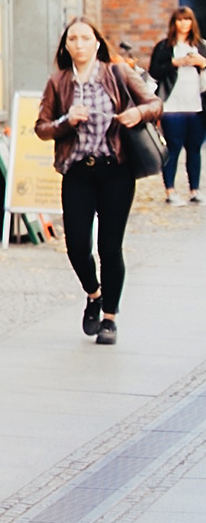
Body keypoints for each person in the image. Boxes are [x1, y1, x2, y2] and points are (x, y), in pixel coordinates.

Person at [34, 18, 161, 346]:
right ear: (66, 46)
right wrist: (67, 120)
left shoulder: (117, 73)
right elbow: (42, 127)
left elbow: (154, 103)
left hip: (115, 170)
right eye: (72, 39)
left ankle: (110, 318)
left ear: (97, 43)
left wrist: (137, 114)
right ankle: (94, 293)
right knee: (77, 245)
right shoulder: (58, 81)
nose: (79, 44)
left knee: (109, 246)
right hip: (77, 173)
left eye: (85, 38)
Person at [147, 7, 206, 204]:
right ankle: (170, 190)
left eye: (187, 20)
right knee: (173, 148)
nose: (184, 24)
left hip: (197, 106)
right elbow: (154, 72)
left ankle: (195, 189)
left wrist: (202, 63)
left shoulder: (201, 46)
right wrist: (175, 62)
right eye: (180, 20)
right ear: (174, 23)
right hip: (172, 106)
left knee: (195, 149)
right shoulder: (164, 47)